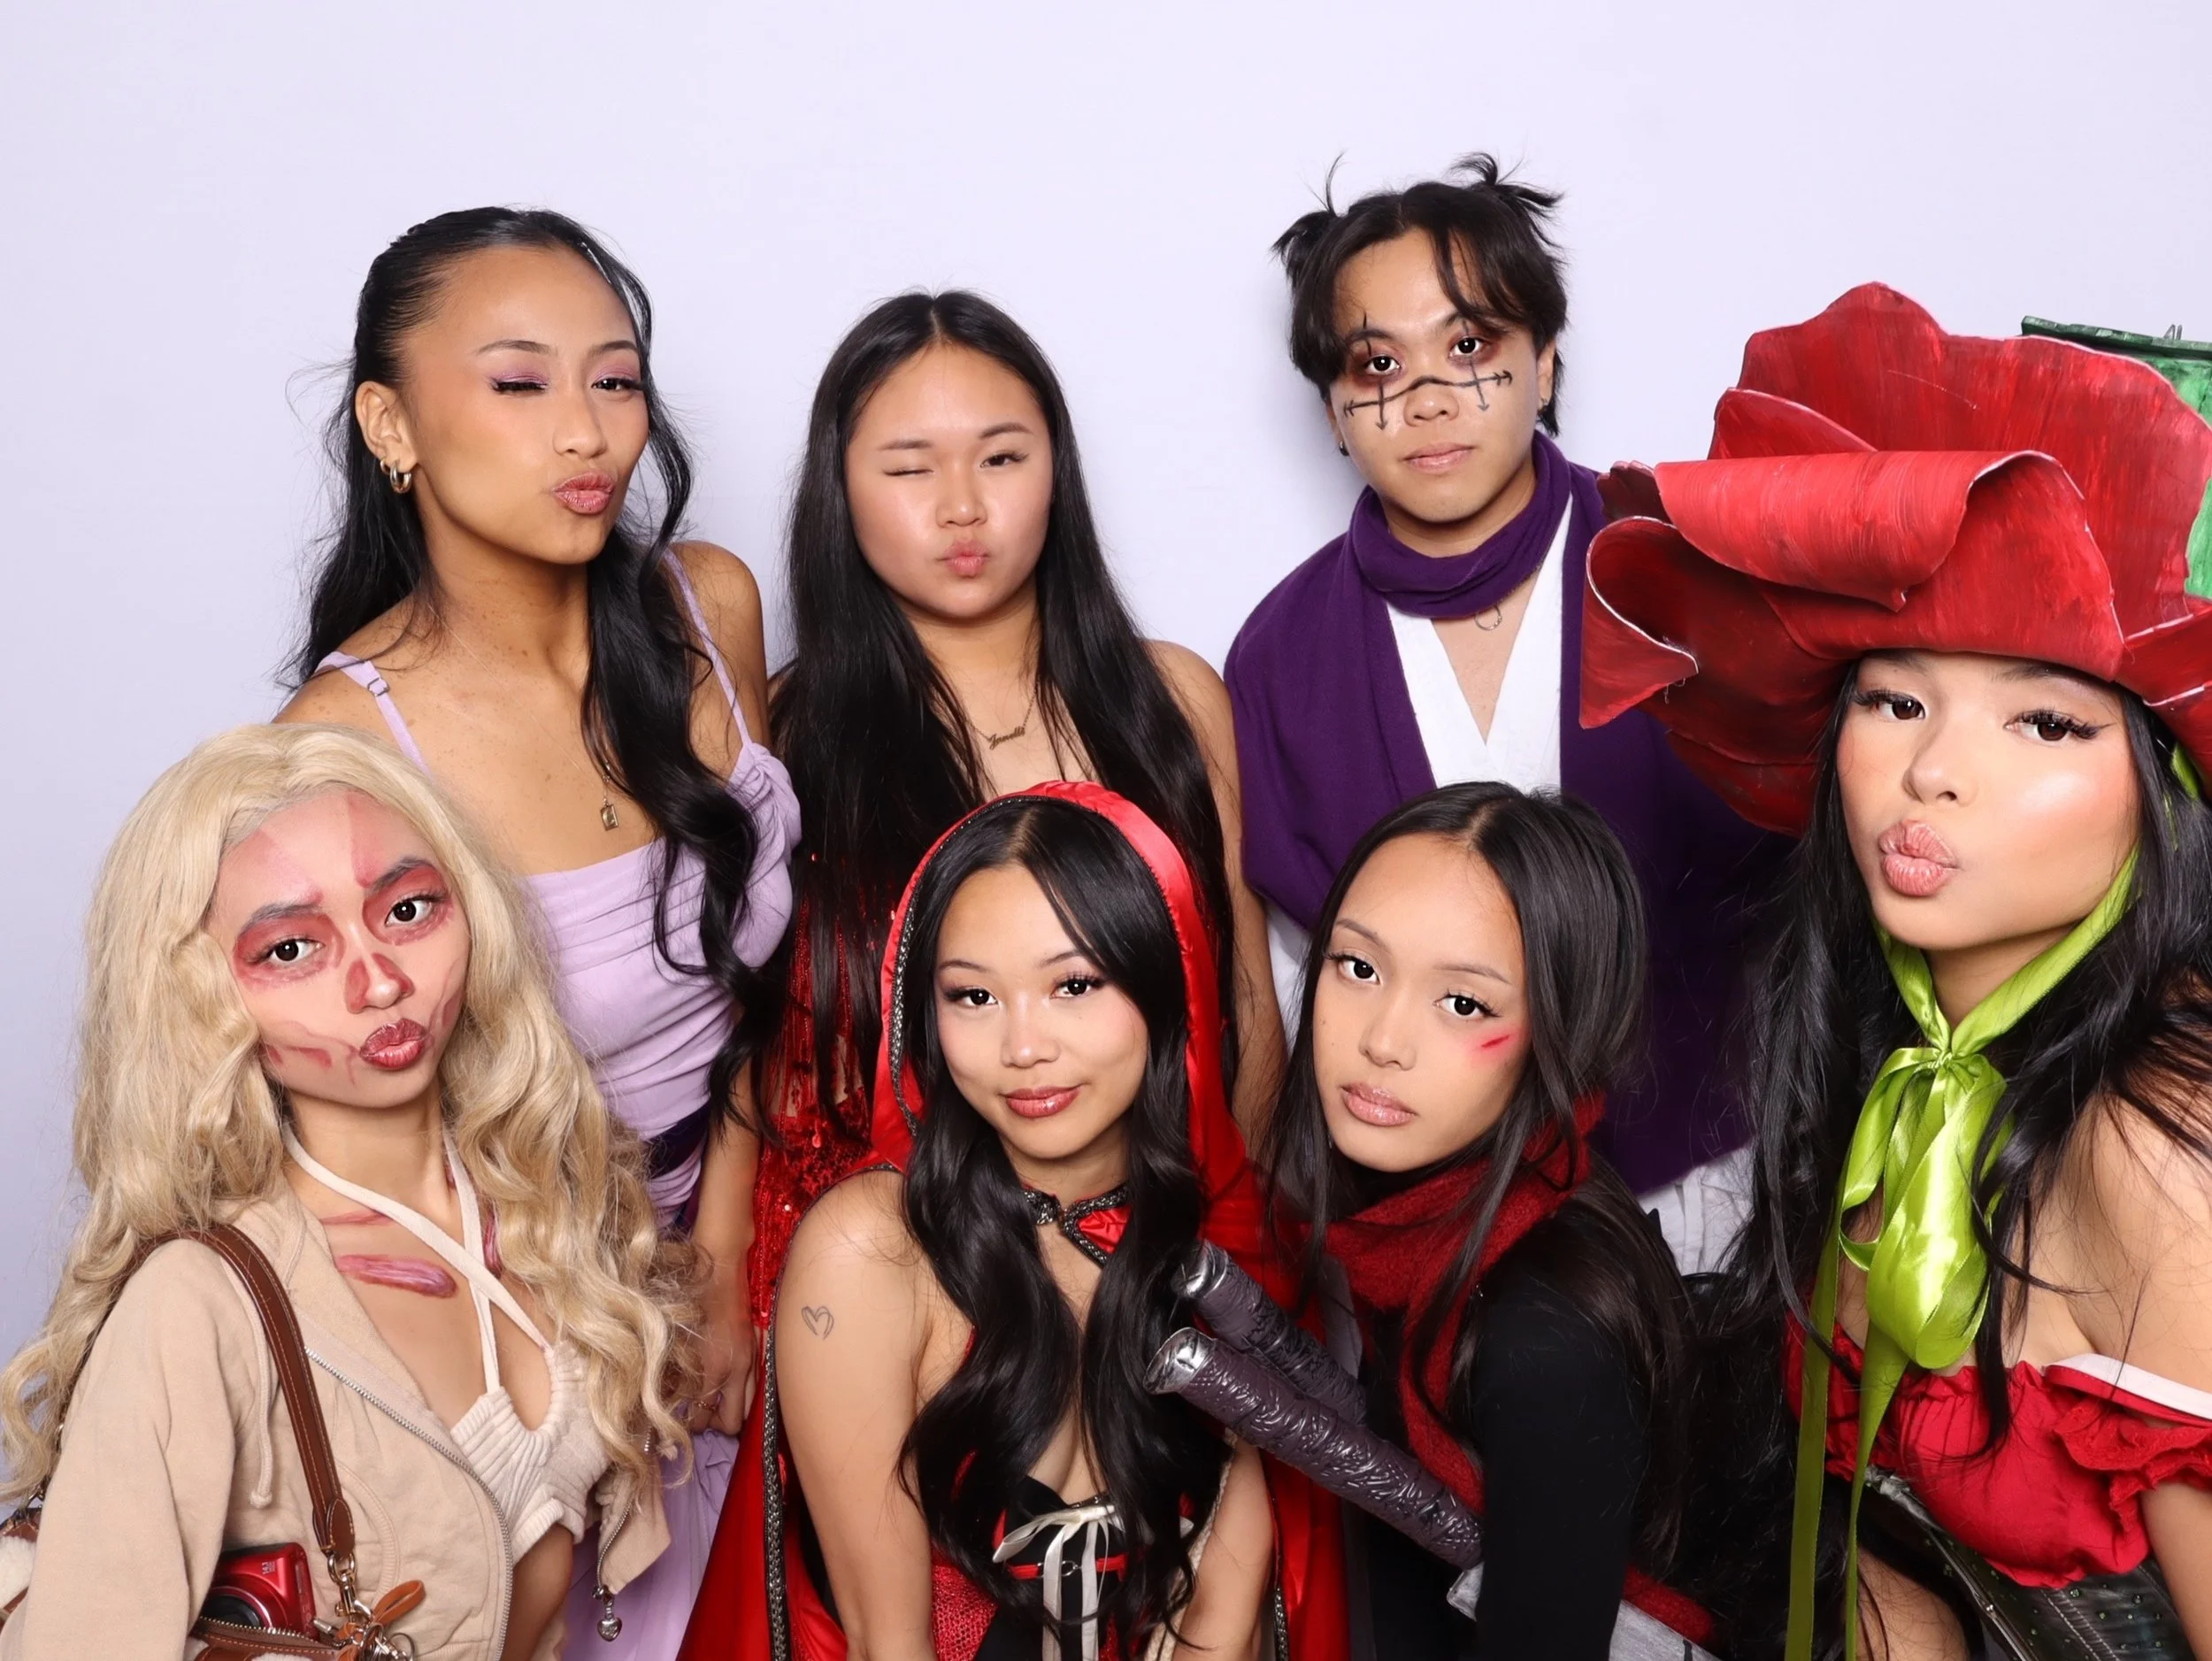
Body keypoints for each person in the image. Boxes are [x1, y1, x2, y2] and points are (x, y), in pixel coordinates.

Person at [1580, 283, 2212, 1659]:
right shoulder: (1907, 1065)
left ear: (2164, 795)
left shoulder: (2161, 1140)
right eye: (1894, 697)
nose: (1933, 769)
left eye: (2044, 720)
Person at [278, 206, 798, 1653]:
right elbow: (357, 1148)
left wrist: (731, 1254)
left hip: (761, 1239)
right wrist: (607, 1327)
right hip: (521, 1315)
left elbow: (753, 988)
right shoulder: (347, 742)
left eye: (615, 379)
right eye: (520, 383)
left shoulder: (711, 607)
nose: (588, 432)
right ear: (394, 423)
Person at [0, 724, 696, 1658]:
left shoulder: (541, 1197)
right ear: (203, 996)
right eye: (291, 948)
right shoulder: (199, 1301)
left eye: (407, 910)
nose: (378, 981)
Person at [1225, 156, 1783, 1237]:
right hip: (1433, 1217)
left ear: (1546, 363)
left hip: (1722, 1167)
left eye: (1470, 345)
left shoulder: (1685, 576)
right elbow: (1310, 984)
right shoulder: (1283, 656)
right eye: (1377, 361)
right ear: (1335, 410)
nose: (1428, 395)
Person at [682, 786, 1343, 1659]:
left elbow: (1224, 1621)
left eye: (1074, 983)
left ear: (1168, 985)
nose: (1023, 1045)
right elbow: (887, 1642)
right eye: (972, 996)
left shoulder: (1242, 1247)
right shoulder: (871, 1254)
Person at [744, 290, 1281, 1347]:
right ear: (839, 492)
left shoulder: (1170, 699)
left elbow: (1245, 1010)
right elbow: (757, 1056)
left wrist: (1193, 1253)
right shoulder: (788, 730)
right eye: (908, 467)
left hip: (1152, 1279)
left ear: (1056, 471)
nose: (960, 507)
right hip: (889, 1297)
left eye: (1000, 458)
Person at [1260, 782, 1714, 1660]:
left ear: (1559, 1029)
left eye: (1462, 1003)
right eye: (1357, 966)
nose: (1382, 1038)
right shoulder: (1414, 1230)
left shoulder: (1540, 1330)